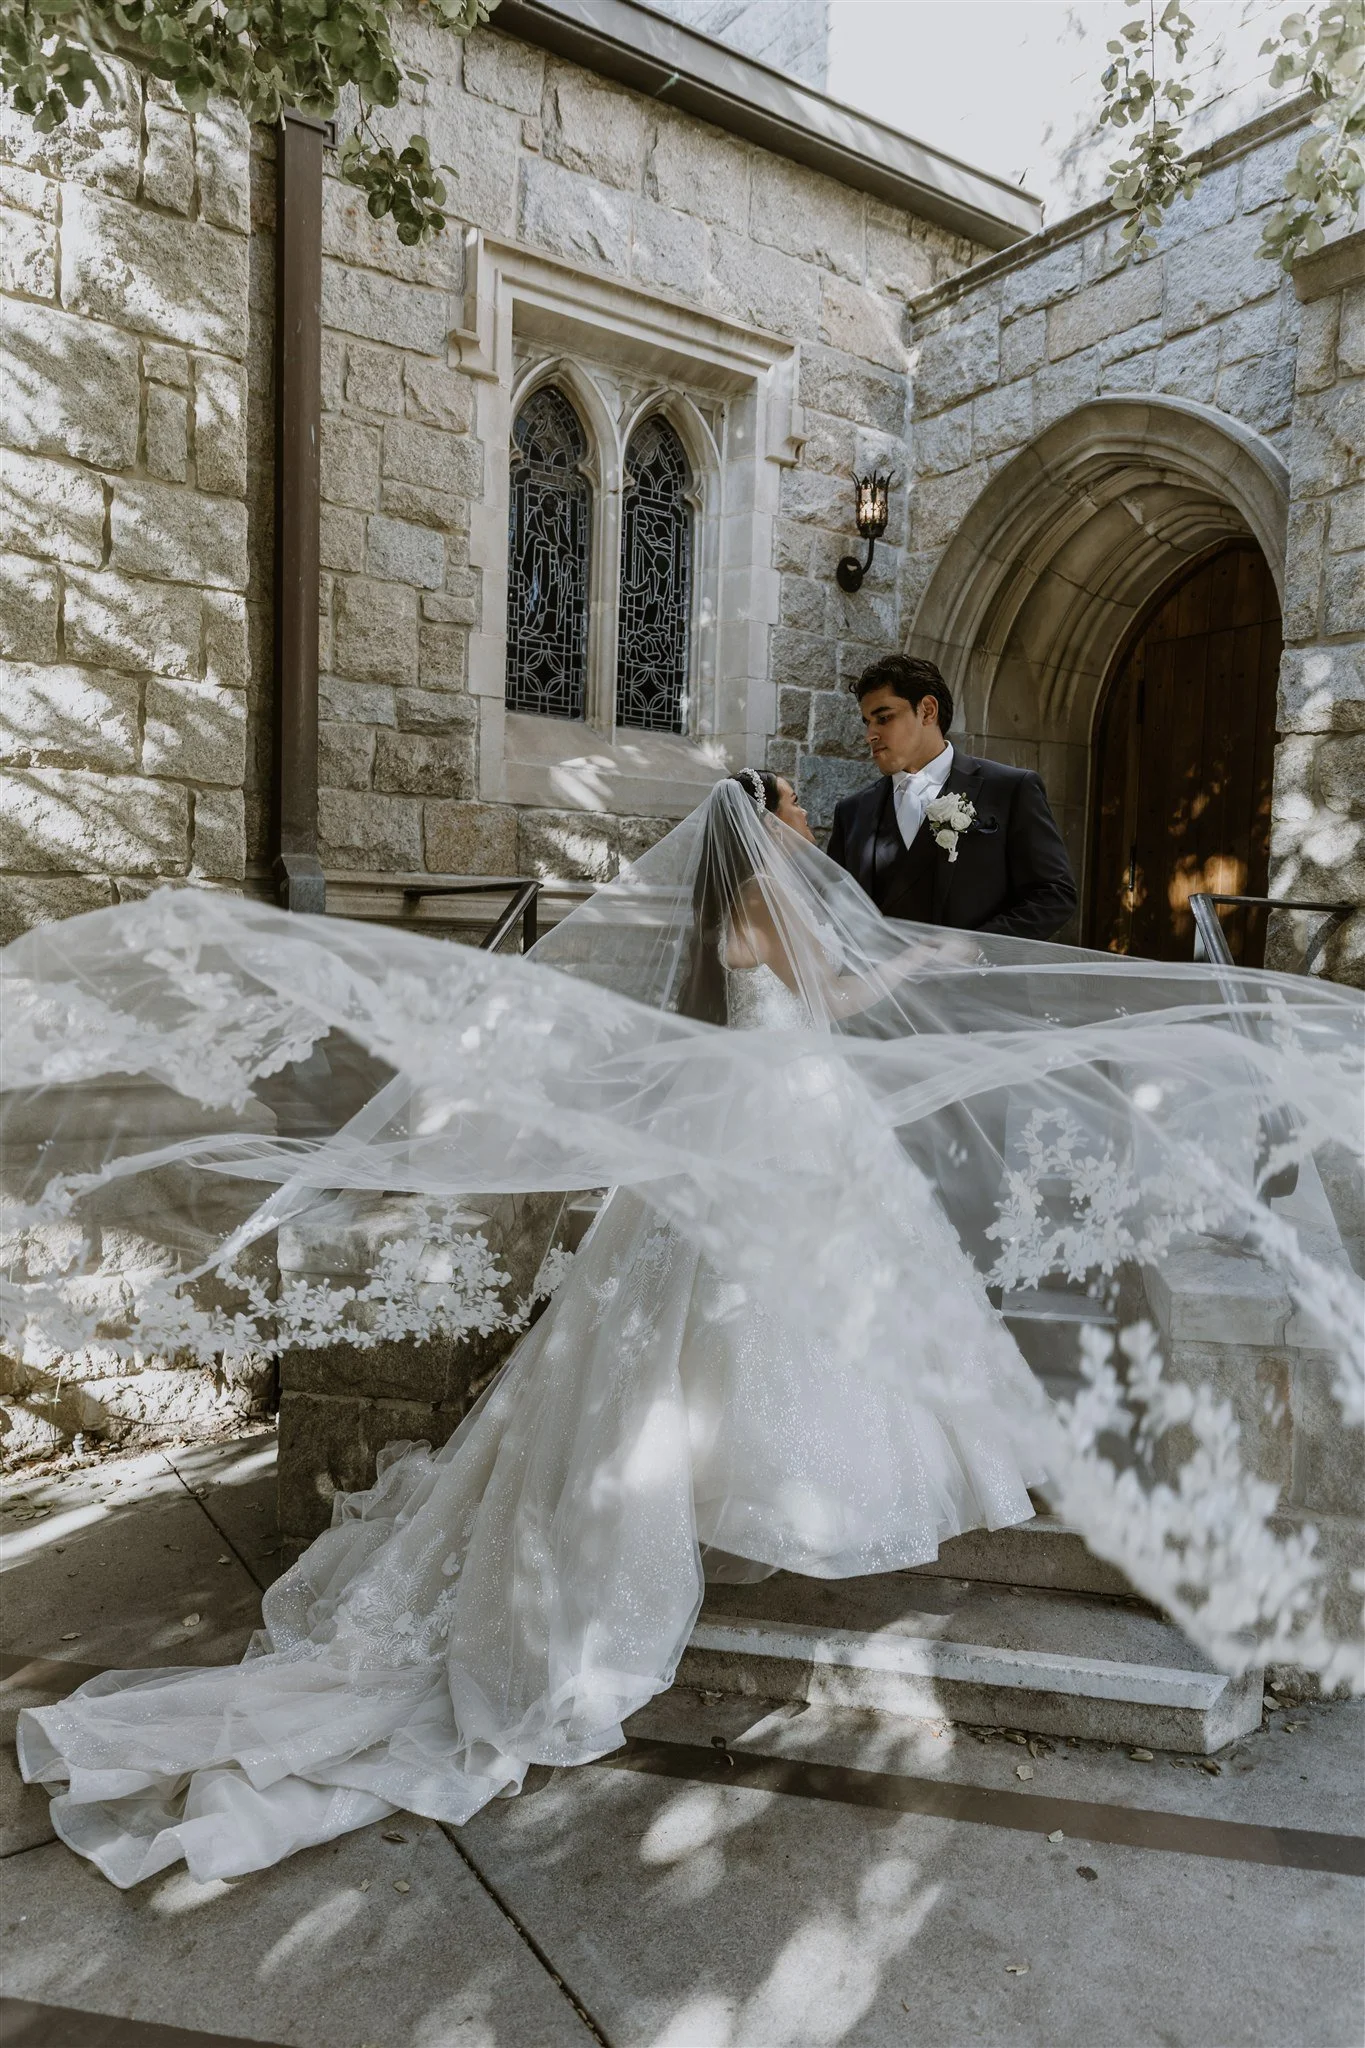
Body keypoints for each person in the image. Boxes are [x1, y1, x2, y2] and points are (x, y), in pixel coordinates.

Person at [7, 776, 1360, 1888]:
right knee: (793, 1313)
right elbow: (837, 998)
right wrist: (935, 960)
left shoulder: (719, 914)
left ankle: (720, 1498)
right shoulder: (773, 894)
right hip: (795, 1116)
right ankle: (777, 1509)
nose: (812, 831)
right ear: (764, 828)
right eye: (793, 816)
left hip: (756, 1121)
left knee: (699, 1316)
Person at [826, 653, 1078, 941]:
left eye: (883, 718)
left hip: (977, 983)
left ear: (928, 710)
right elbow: (836, 912)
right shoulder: (852, 812)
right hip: (881, 984)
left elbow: (1054, 895)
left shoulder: (1011, 789)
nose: (870, 734)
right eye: (867, 722)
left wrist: (975, 949)